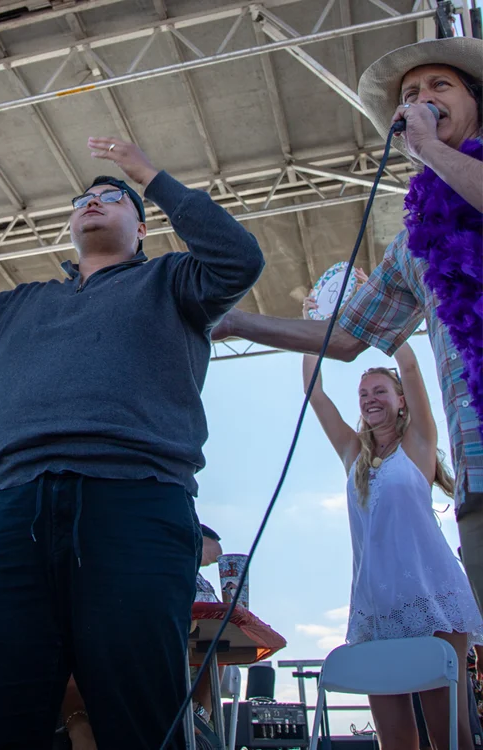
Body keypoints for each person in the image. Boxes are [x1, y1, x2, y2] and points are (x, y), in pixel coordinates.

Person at [0, 137, 264, 749]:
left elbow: (239, 259)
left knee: (140, 709)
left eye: (111, 197)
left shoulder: (173, 280)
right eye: (83, 199)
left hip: (136, 502)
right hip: (16, 508)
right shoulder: (24, 301)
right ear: (70, 227)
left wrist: (150, 176)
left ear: (143, 227)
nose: (93, 201)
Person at [211, 36, 483, 612]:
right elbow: (345, 337)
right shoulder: (415, 243)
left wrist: (430, 147)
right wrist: (239, 321)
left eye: (440, 86)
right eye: (410, 94)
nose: (421, 99)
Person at [302, 288, 483, 749]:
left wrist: (376, 305)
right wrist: (315, 328)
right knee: (395, 741)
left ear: (401, 401)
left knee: (450, 736)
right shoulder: (353, 454)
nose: (369, 398)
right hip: (375, 607)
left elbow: (411, 366)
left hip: (432, 597)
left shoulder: (418, 443)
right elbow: (314, 393)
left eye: (378, 390)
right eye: (363, 394)